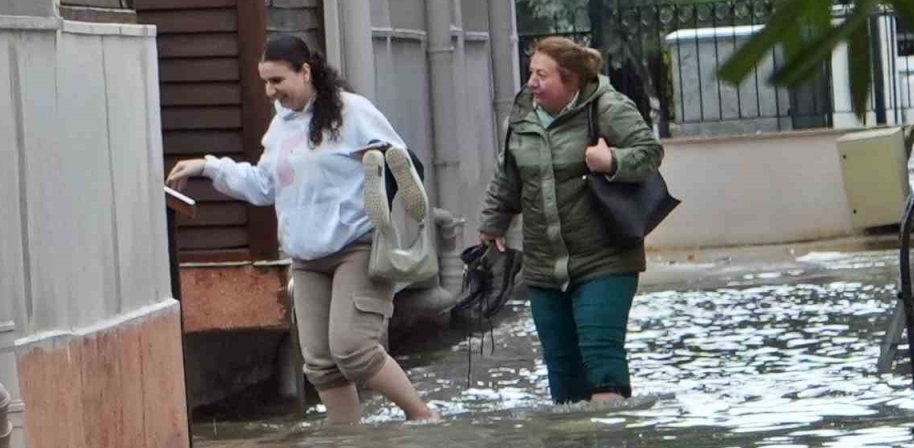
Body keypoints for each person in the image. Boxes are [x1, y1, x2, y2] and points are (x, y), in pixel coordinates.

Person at [165, 34, 438, 424]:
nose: (269, 91)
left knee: (354, 350)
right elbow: (263, 186)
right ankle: (346, 439)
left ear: (305, 71)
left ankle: (423, 417)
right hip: (307, 258)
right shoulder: (281, 126)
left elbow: (407, 168)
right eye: (264, 81)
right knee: (321, 365)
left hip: (356, 247)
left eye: (277, 80)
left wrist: (380, 172)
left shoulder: (353, 112)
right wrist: (209, 167)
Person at [478, 36, 663, 404]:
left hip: (605, 258)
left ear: (571, 81)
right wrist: (492, 221)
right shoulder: (522, 116)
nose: (532, 82)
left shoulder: (607, 107)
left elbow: (650, 153)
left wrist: (612, 162)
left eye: (542, 75)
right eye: (531, 72)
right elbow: (508, 174)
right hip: (544, 266)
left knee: (601, 362)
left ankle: (613, 438)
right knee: (562, 376)